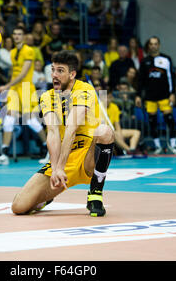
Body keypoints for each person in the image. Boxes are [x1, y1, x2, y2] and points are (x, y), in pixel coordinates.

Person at [11, 50, 115, 217]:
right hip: (63, 158)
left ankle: (95, 193)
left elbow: (71, 128)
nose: (54, 75)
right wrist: (56, 168)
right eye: (52, 70)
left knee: (105, 132)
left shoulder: (84, 89)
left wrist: (60, 166)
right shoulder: (46, 96)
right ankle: (46, 197)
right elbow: (52, 132)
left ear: (72, 74)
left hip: (87, 156)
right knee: (18, 207)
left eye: (60, 70)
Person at [0, 26, 48, 165]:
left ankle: (49, 149)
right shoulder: (13, 52)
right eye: (14, 33)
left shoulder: (29, 51)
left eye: (19, 34)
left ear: (24, 36)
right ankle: (4, 155)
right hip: (15, 89)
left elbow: (23, 74)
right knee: (8, 119)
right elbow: (14, 73)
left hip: (26, 88)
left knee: (31, 121)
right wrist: (8, 85)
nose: (16, 36)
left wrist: (5, 86)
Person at [135, 36, 176, 155]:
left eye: (155, 44)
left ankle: (173, 144)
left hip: (165, 96)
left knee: (170, 120)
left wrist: (172, 94)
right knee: (152, 122)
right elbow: (140, 80)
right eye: (151, 44)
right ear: (148, 46)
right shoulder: (144, 62)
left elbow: (171, 77)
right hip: (150, 97)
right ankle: (157, 146)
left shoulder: (166, 59)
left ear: (159, 45)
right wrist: (138, 95)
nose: (153, 46)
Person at [106, 91, 141, 155]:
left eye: (109, 98)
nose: (107, 100)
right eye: (105, 98)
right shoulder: (99, 108)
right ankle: (129, 151)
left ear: (112, 98)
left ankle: (132, 149)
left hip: (114, 131)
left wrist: (120, 135)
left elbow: (117, 124)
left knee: (136, 132)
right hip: (104, 133)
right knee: (114, 133)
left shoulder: (114, 107)